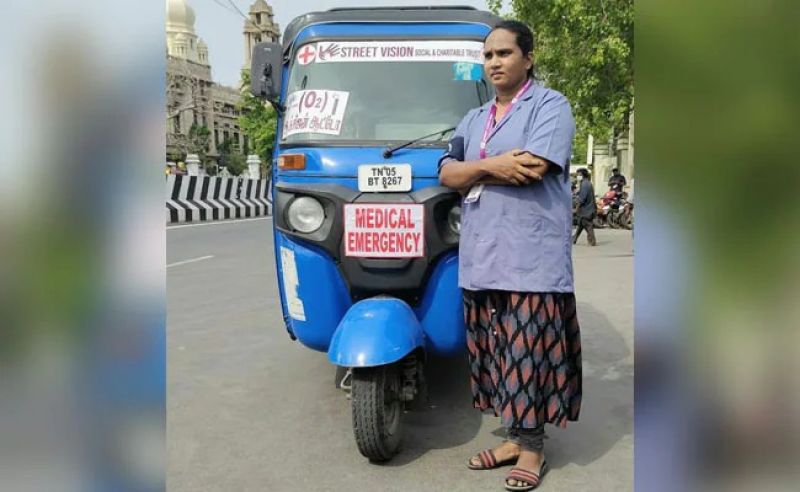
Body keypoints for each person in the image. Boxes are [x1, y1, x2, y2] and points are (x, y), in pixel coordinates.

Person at [439, 20, 582, 492]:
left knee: (529, 354)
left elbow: (534, 168)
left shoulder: (551, 106)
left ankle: (533, 448)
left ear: (528, 58)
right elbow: (446, 174)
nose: (494, 63)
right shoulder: (472, 119)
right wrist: (493, 165)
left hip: (530, 259)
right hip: (482, 257)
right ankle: (512, 439)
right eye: (488, 56)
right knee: (497, 353)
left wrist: (472, 173)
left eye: (503, 53)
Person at [573, 168, 597, 246]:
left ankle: (592, 241)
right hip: (588, 209)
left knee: (587, 224)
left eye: (578, 175)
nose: (577, 176)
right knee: (581, 224)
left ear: (582, 175)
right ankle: (574, 239)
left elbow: (582, 198)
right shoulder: (587, 183)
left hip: (586, 210)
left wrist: (576, 209)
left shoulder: (585, 184)